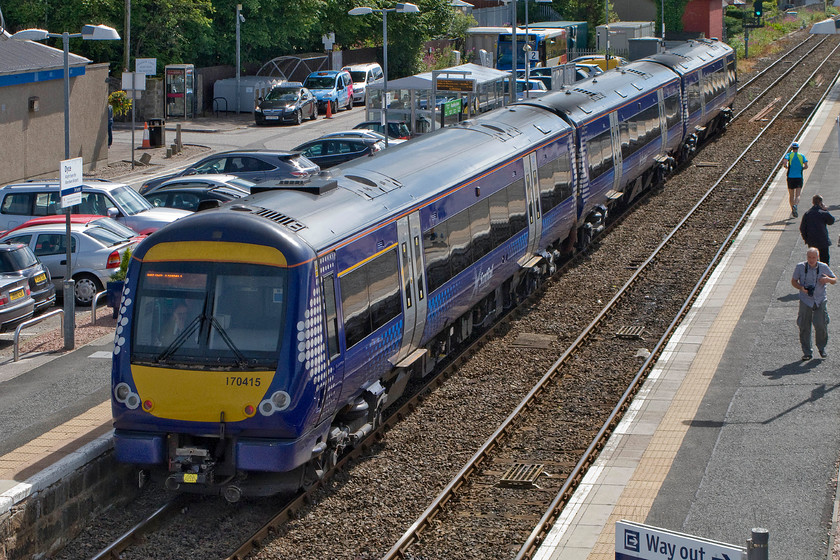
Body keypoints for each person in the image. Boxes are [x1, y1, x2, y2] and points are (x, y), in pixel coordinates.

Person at [791, 247, 836, 360]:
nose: (811, 260)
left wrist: (828, 279)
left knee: (821, 325)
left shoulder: (823, 267)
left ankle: (821, 348)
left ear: (817, 257)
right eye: (809, 257)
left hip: (820, 300)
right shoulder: (800, 267)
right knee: (804, 326)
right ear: (807, 257)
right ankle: (807, 352)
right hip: (806, 300)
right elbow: (793, 281)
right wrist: (801, 288)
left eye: (814, 257)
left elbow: (835, 279)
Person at [800, 194, 835, 265]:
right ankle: (824, 274)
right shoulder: (823, 213)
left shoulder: (807, 214)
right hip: (823, 241)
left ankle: (814, 274)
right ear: (820, 203)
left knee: (813, 261)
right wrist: (826, 210)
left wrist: (806, 239)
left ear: (813, 202)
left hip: (812, 241)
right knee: (825, 261)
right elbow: (831, 221)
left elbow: (802, 228)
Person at [783, 141, 808, 218]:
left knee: (791, 195)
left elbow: (785, 162)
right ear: (798, 148)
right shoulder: (801, 156)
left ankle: (792, 208)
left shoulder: (789, 155)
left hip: (790, 177)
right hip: (799, 177)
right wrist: (802, 168)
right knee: (798, 194)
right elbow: (806, 166)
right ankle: (796, 206)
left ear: (792, 148)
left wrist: (786, 166)